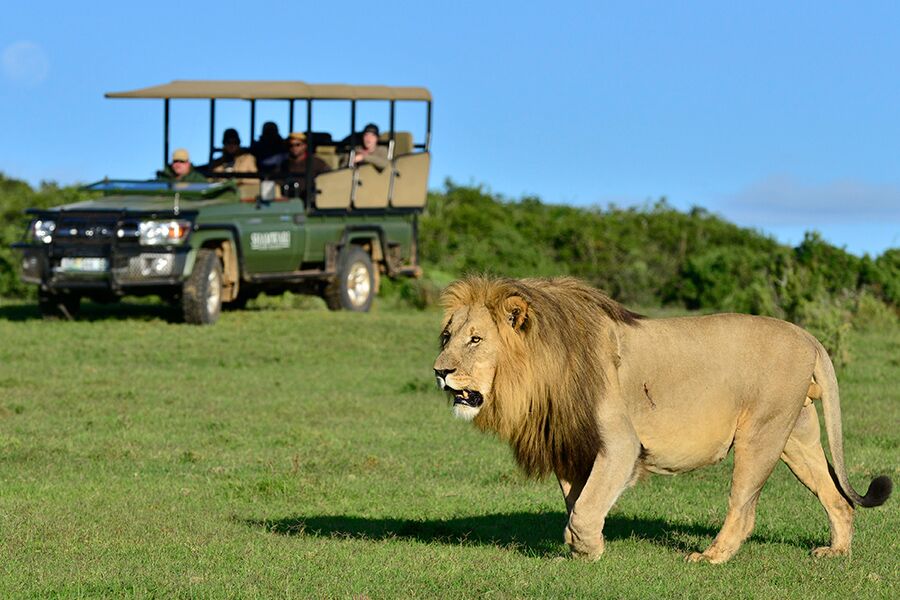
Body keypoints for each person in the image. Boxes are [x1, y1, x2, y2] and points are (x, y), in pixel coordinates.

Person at [280, 132, 331, 197]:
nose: (294, 147)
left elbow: (329, 179)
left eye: (297, 144)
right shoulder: (284, 163)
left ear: (305, 145)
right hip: (289, 199)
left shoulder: (317, 162)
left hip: (310, 201)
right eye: (290, 145)